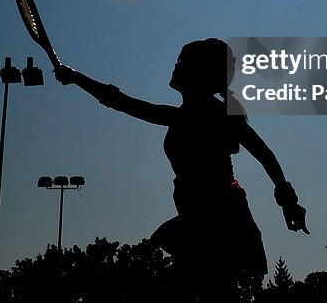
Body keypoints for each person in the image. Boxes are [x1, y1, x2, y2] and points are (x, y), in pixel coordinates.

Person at [54, 38, 307, 297]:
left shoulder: (202, 115)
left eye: (182, 62)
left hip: (216, 218)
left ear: (199, 73)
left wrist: (76, 78)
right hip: (209, 216)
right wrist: (287, 201)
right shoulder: (198, 114)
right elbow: (266, 155)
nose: (175, 67)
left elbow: (123, 103)